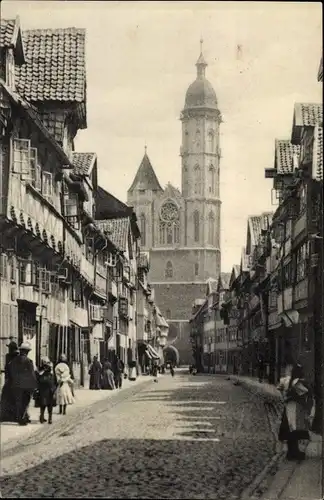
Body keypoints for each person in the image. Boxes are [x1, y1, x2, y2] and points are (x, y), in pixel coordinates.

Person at [277, 363, 314, 461]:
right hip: (296, 408)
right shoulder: (297, 382)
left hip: (289, 407)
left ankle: (292, 451)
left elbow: (280, 389)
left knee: (291, 430)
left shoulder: (287, 381)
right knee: (296, 430)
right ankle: (294, 452)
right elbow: (305, 392)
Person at [6, 342, 37, 426]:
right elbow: (32, 374)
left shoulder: (13, 361)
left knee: (18, 402)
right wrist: (35, 385)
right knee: (25, 402)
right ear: (27, 351)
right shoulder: (29, 361)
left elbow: (10, 372)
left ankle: (20, 417)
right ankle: (22, 418)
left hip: (15, 384)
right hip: (26, 385)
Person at [0, 341, 20, 422]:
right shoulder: (14, 357)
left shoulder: (9, 356)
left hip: (11, 380)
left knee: (8, 398)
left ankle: (10, 416)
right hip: (12, 380)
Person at [35, 357, 56, 424]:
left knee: (48, 405)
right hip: (44, 389)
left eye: (47, 362)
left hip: (49, 389)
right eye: (45, 362)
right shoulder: (40, 369)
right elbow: (38, 376)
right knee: (43, 404)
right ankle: (42, 417)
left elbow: (53, 377)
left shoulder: (50, 368)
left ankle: (49, 418)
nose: (46, 364)